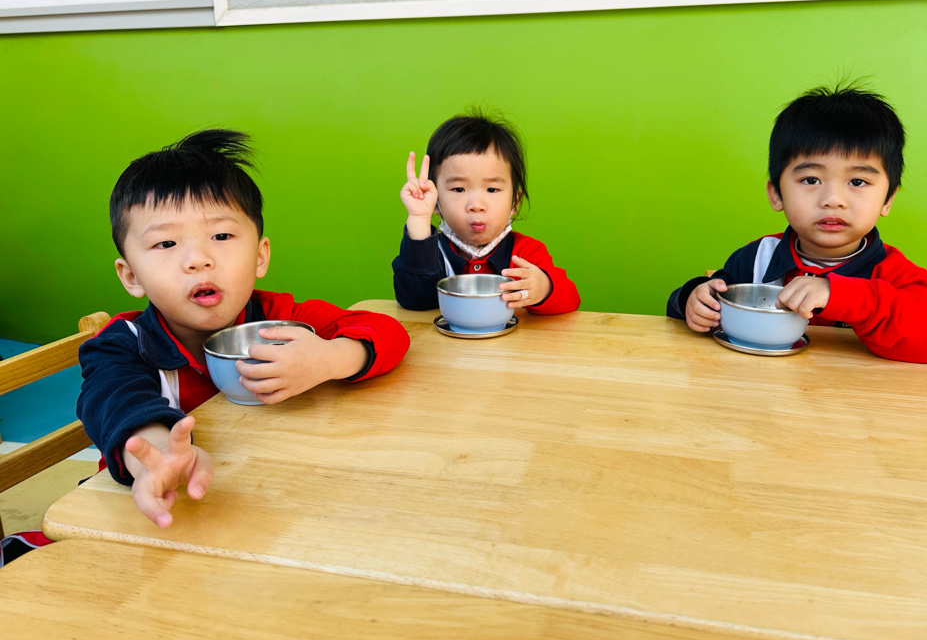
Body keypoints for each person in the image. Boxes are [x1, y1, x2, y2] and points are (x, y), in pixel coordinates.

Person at [77, 130, 410, 528]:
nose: (198, 259)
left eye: (221, 236)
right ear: (131, 275)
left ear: (260, 256)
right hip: (155, 512)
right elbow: (115, 401)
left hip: (265, 503)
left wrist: (330, 358)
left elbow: (388, 331)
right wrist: (161, 455)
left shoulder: (278, 318)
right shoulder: (122, 346)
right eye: (166, 244)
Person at [667, 85, 927, 364]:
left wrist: (840, 295)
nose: (833, 200)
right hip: (768, 392)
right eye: (811, 180)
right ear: (776, 194)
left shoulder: (895, 273)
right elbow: (688, 308)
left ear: (887, 200)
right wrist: (695, 299)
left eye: (858, 182)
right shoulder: (758, 258)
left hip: (854, 395)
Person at [392, 112, 580, 315]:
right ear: (436, 200)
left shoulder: (526, 253)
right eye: (459, 189)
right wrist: (419, 219)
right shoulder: (431, 252)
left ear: (515, 202)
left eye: (492, 189)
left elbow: (571, 298)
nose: (476, 205)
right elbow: (414, 298)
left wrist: (544, 288)